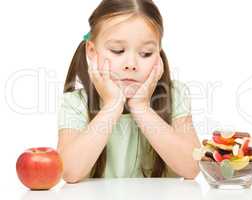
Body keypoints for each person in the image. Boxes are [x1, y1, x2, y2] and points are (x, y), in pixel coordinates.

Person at [57, 0, 201, 183]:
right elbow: (69, 171)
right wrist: (112, 106)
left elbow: (192, 167)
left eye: (146, 53)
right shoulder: (75, 102)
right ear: (92, 52)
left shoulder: (175, 94)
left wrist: (141, 108)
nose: (131, 64)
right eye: (118, 51)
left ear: (158, 55)